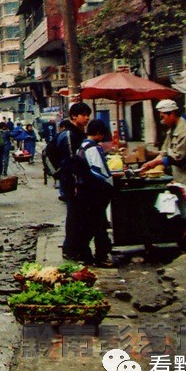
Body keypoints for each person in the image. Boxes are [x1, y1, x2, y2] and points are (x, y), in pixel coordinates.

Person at [70, 119, 116, 267]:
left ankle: (85, 254)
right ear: (98, 133)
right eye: (102, 134)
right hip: (94, 192)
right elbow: (99, 171)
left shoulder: (82, 146)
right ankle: (101, 256)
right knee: (99, 225)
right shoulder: (94, 149)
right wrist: (110, 183)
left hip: (84, 191)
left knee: (91, 224)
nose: (103, 138)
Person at [140, 99, 186, 185]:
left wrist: (156, 162)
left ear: (172, 114)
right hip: (179, 174)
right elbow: (165, 151)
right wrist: (150, 163)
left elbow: (177, 157)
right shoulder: (172, 129)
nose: (162, 120)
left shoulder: (185, 130)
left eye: (163, 117)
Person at [58, 102, 92, 260]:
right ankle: (70, 250)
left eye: (88, 115)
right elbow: (72, 162)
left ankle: (77, 248)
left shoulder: (78, 132)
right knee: (75, 216)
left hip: (79, 181)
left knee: (80, 216)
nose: (87, 118)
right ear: (74, 116)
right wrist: (77, 183)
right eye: (84, 115)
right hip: (72, 182)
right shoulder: (70, 135)